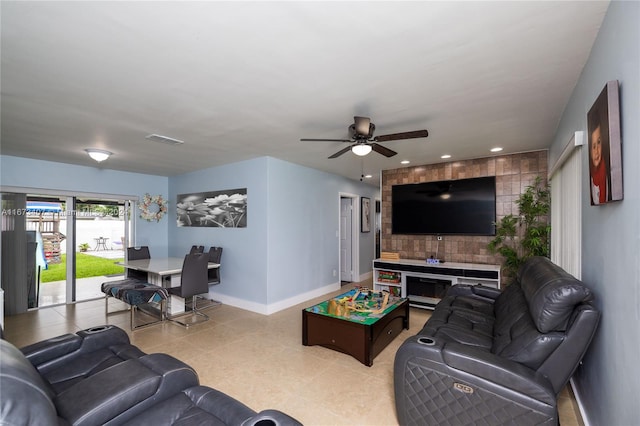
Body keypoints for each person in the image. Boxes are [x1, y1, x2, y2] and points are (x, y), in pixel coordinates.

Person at [588, 108, 611, 205]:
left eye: (598, 142)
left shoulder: (607, 172)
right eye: (593, 146)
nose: (597, 151)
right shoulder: (590, 174)